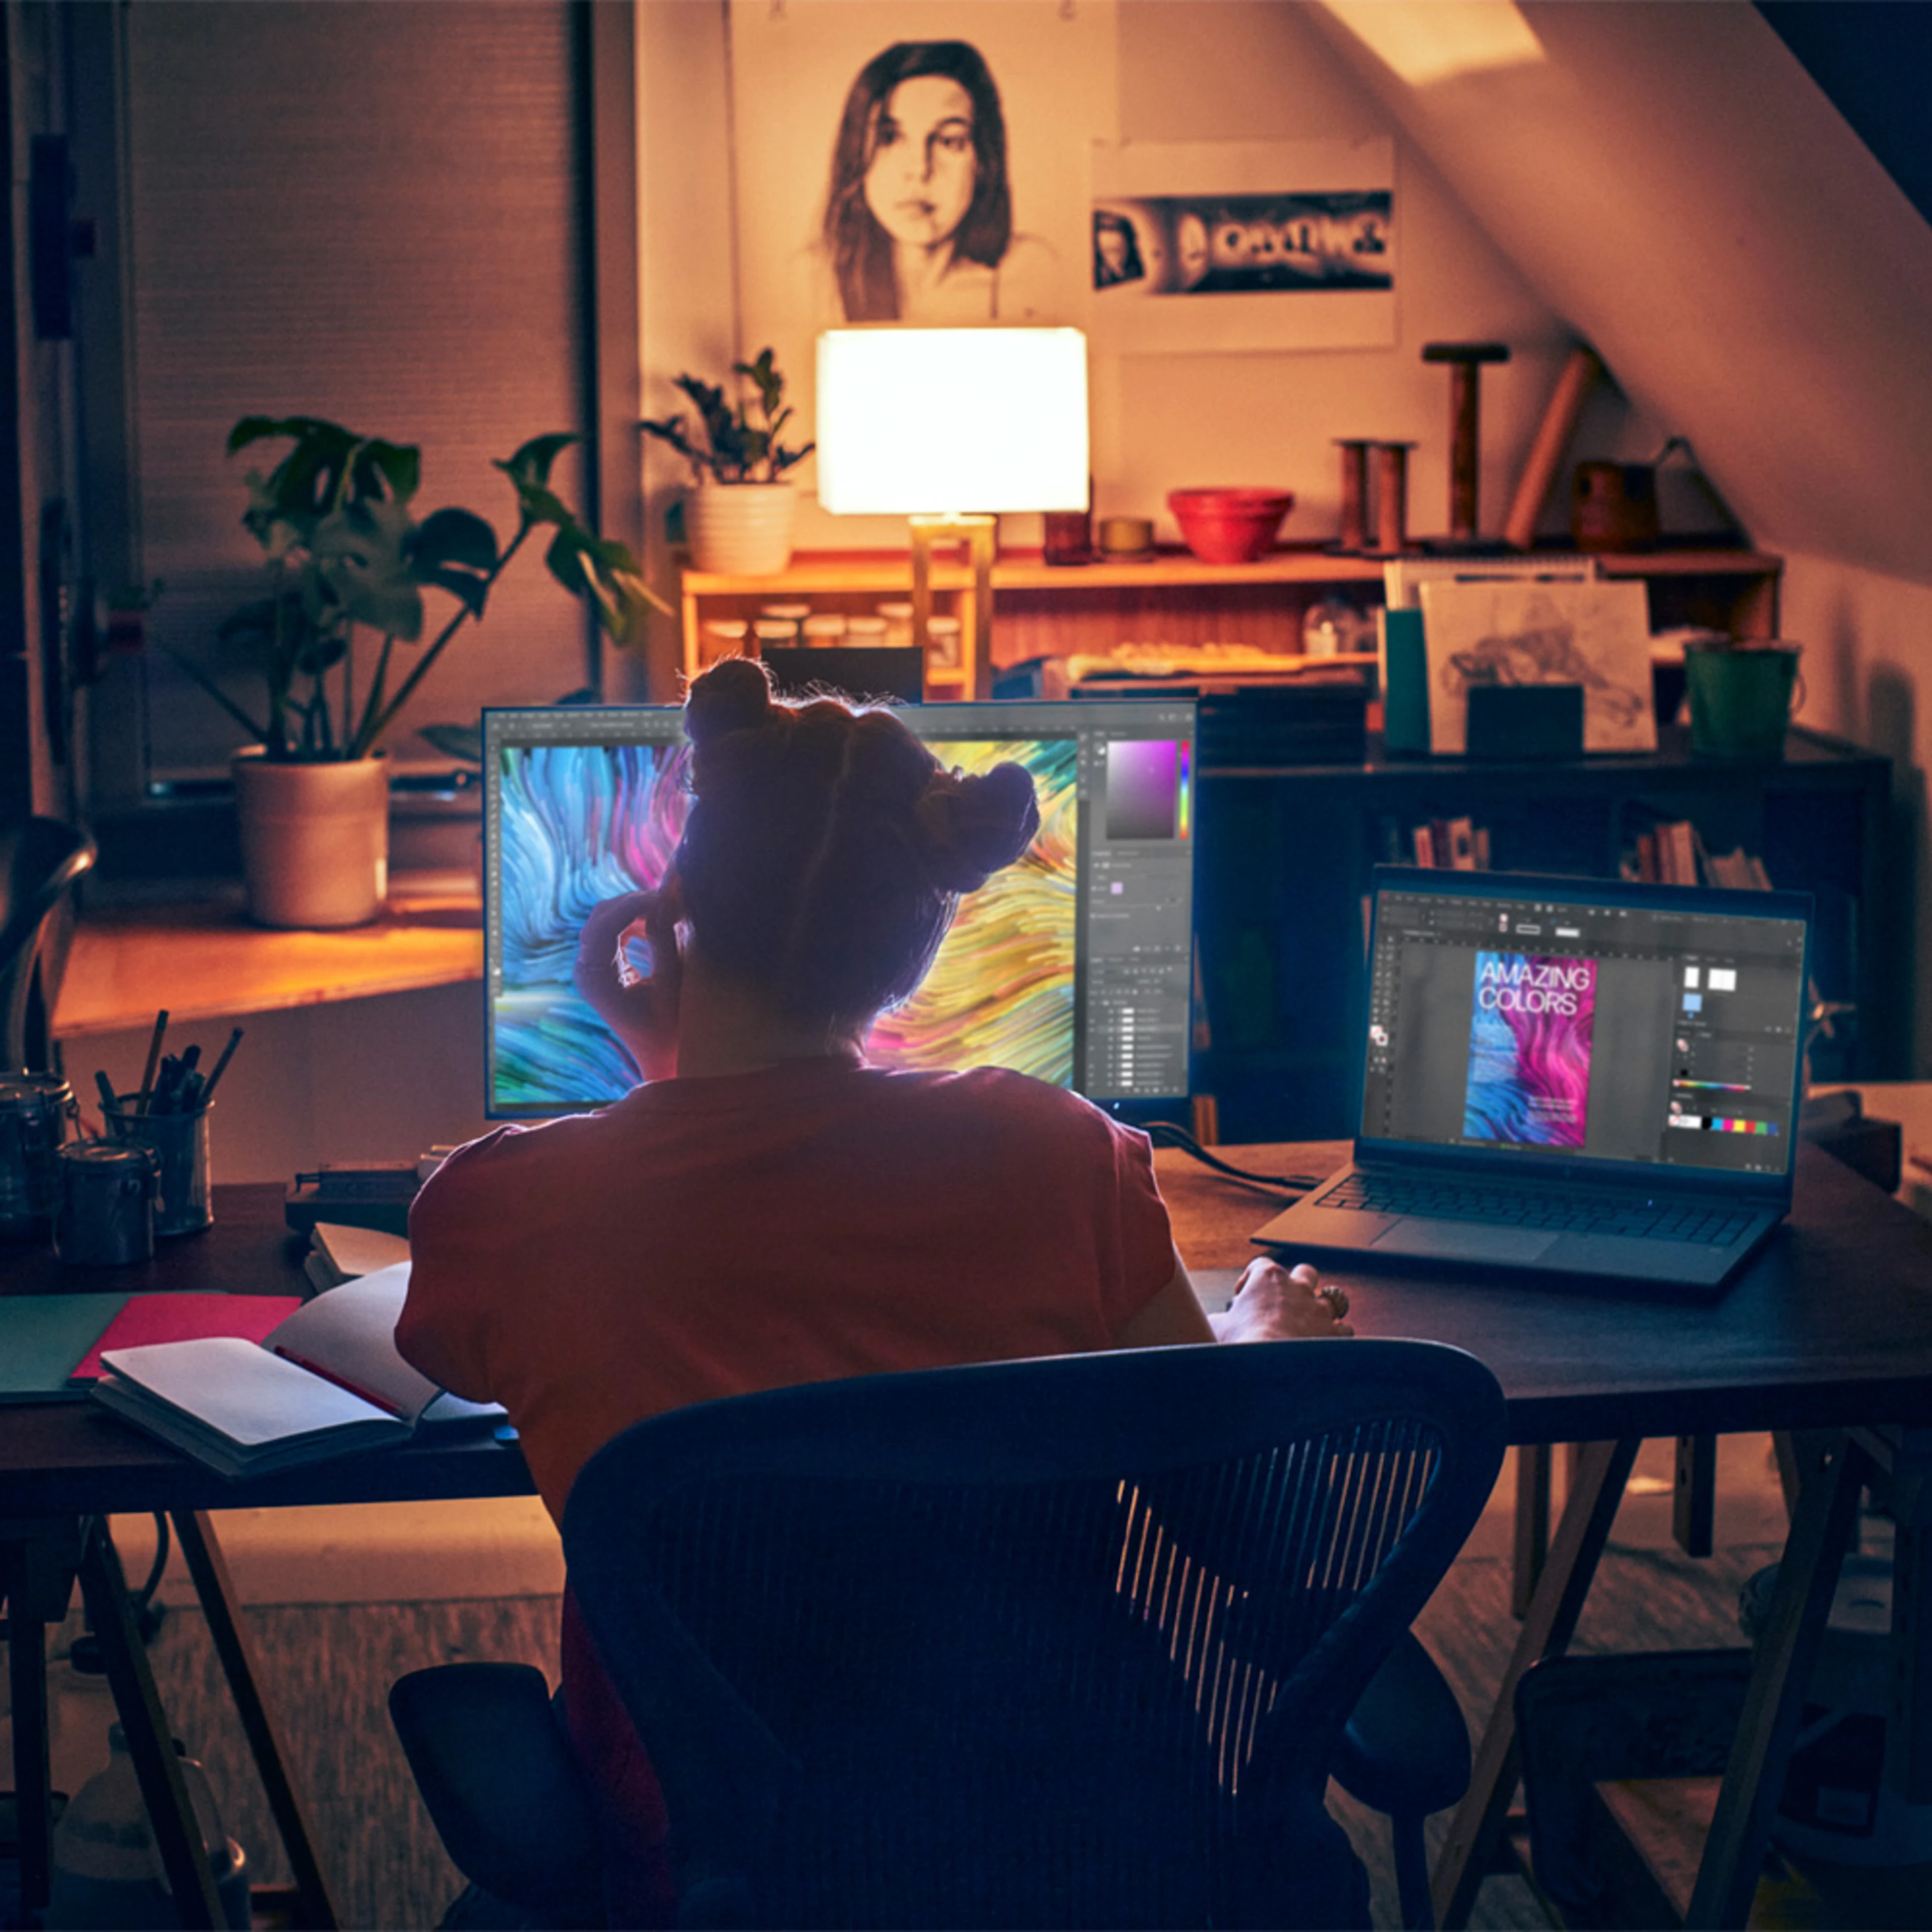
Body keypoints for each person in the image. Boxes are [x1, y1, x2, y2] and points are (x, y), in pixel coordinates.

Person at [397, 657, 1347, 1920]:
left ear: (673, 904)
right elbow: (1228, 1506)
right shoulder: (1060, 1154)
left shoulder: (510, 1202)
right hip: (1067, 1831)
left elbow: (524, 1321)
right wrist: (1269, 1344)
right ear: (921, 942)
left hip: (718, 1849)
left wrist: (656, 1063)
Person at [820, 39, 1058, 324]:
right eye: (890, 138)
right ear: (855, 151)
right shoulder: (814, 279)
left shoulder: (1030, 275)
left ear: (983, 162)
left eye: (949, 141)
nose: (921, 169)